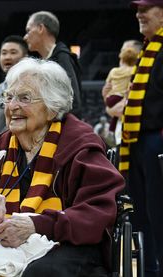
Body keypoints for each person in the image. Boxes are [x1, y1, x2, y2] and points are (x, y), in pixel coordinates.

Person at [0, 58, 125, 276]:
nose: (12, 106)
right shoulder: (0, 146)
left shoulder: (81, 146)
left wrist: (37, 225)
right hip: (4, 243)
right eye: (8, 97)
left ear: (52, 107)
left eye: (24, 98)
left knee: (39, 271)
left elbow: (97, 211)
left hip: (67, 245)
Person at [120, 1, 163, 276]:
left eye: (146, 9)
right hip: (139, 141)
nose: (139, 14)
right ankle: (149, 270)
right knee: (143, 214)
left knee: (159, 215)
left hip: (156, 140)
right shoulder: (149, 48)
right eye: (137, 9)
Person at [23, 11, 83, 118]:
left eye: (28, 30)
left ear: (41, 28)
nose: (25, 37)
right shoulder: (43, 61)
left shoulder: (63, 58)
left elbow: (74, 104)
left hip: (61, 130)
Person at [102, 40, 141, 146]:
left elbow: (120, 109)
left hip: (135, 130)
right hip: (121, 130)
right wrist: (106, 97)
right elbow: (112, 106)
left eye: (124, 51)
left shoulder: (138, 74)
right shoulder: (121, 72)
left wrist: (109, 106)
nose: (120, 56)